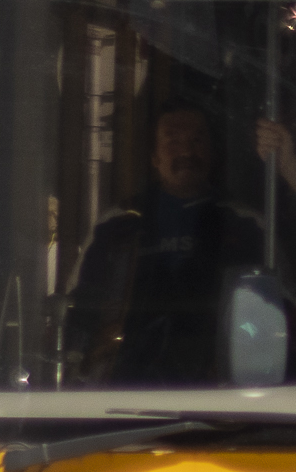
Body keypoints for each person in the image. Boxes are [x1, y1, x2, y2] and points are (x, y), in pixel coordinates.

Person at [62, 105, 271, 386]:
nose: (186, 151)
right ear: (154, 157)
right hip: (126, 391)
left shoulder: (248, 226)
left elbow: (275, 314)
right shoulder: (116, 226)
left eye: (197, 140)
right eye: (173, 140)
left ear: (212, 153)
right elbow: (79, 308)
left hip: (219, 395)